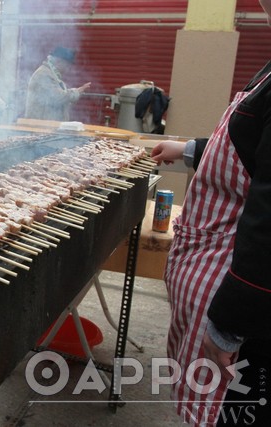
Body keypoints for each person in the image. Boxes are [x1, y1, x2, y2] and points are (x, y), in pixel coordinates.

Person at [151, 2, 271, 424]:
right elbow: (250, 148)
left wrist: (229, 324)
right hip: (214, 277)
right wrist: (188, 150)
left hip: (236, 291)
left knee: (230, 408)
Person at [24, 46, 91, 122]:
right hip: (40, 126)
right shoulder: (43, 74)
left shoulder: (52, 75)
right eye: (67, 65)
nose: (68, 69)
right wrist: (77, 92)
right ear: (59, 61)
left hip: (47, 126)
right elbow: (58, 97)